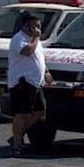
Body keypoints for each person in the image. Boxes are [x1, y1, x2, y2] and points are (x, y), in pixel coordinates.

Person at [7, 13, 52, 156]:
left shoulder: (35, 41)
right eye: (34, 26)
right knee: (21, 113)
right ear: (25, 26)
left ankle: (17, 136)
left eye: (39, 26)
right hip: (22, 82)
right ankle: (17, 146)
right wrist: (36, 37)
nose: (37, 29)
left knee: (40, 111)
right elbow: (27, 51)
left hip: (35, 82)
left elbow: (38, 58)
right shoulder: (18, 39)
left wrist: (46, 71)